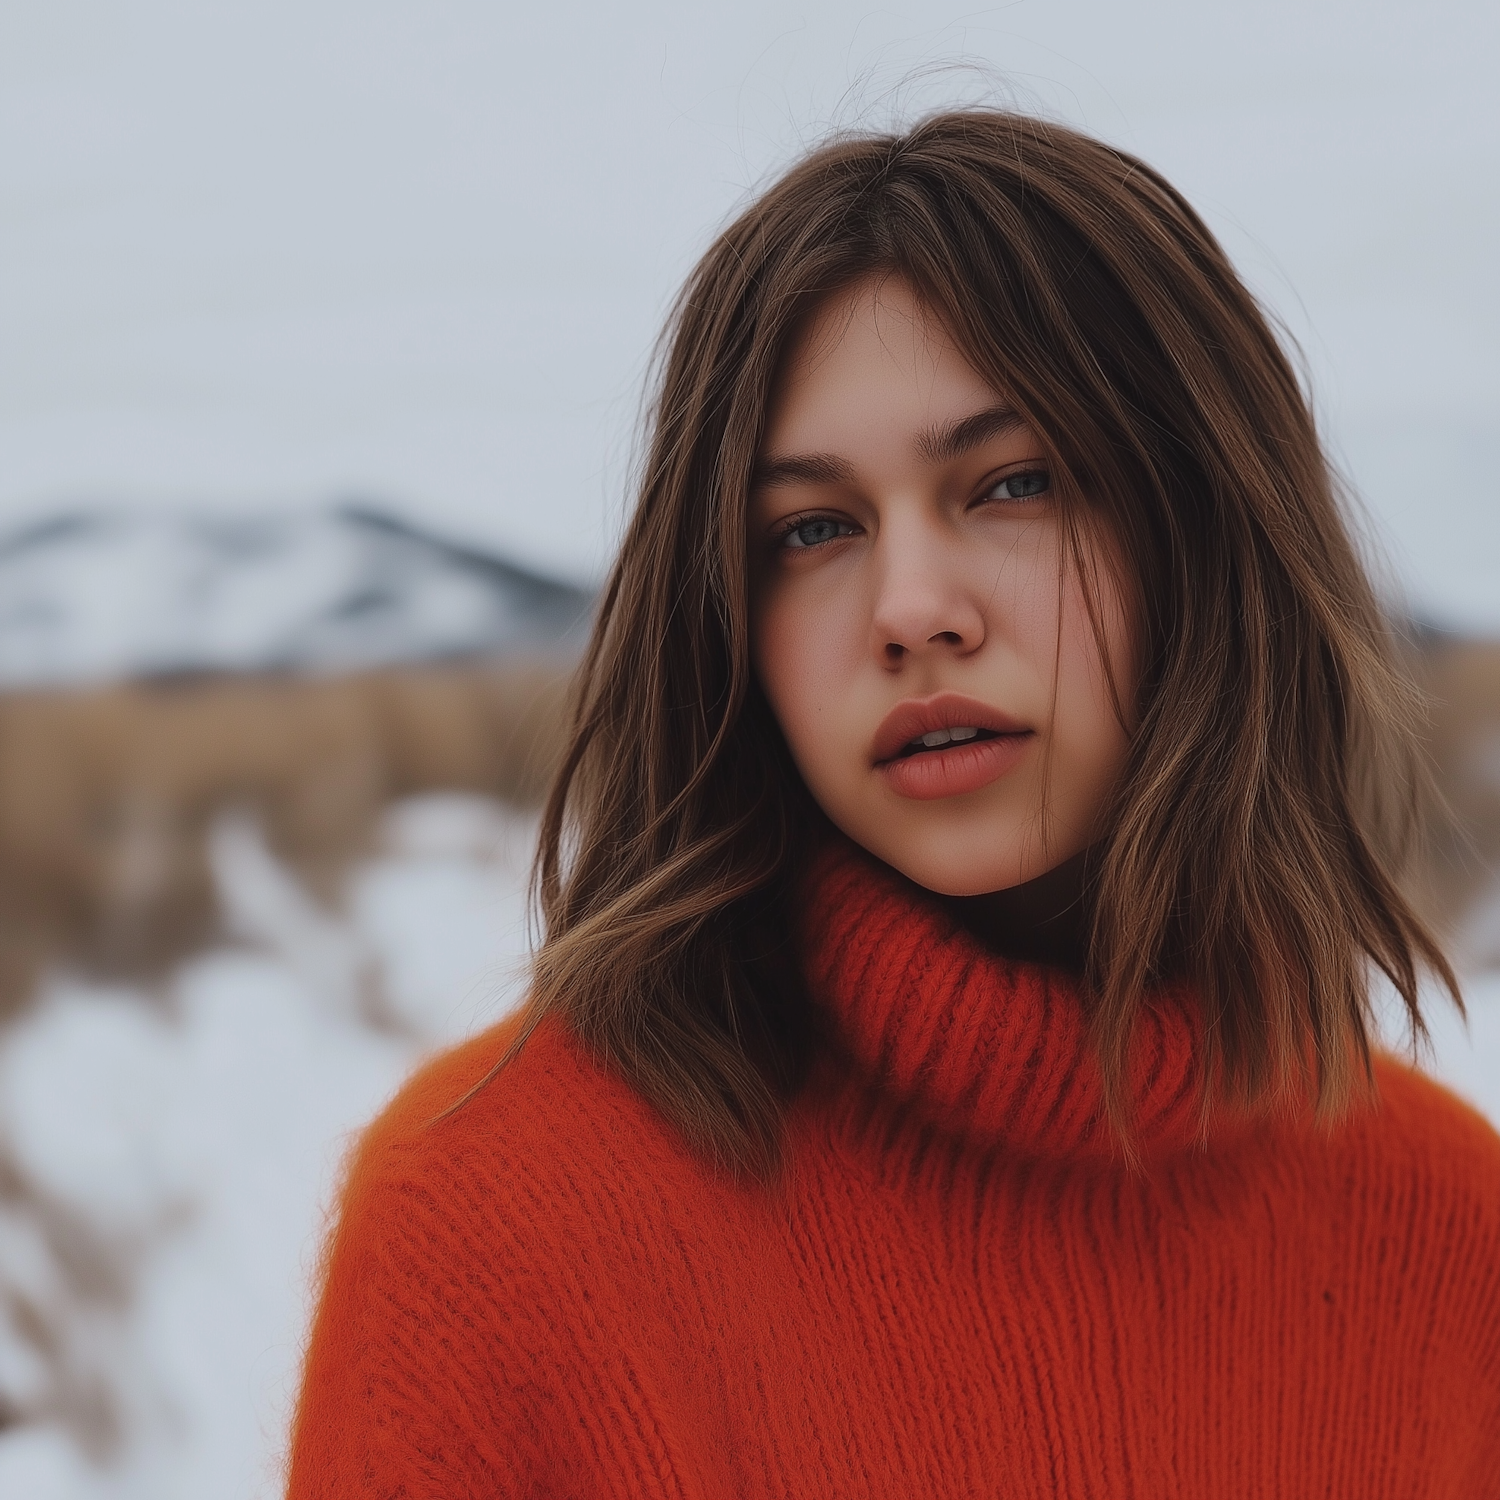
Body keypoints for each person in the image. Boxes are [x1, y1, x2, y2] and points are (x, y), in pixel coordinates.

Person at [285, 112, 1500, 1498]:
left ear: (1203, 533)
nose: (913, 611)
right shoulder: (494, 1232)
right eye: (814, 528)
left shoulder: (1446, 1236)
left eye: (1013, 484)